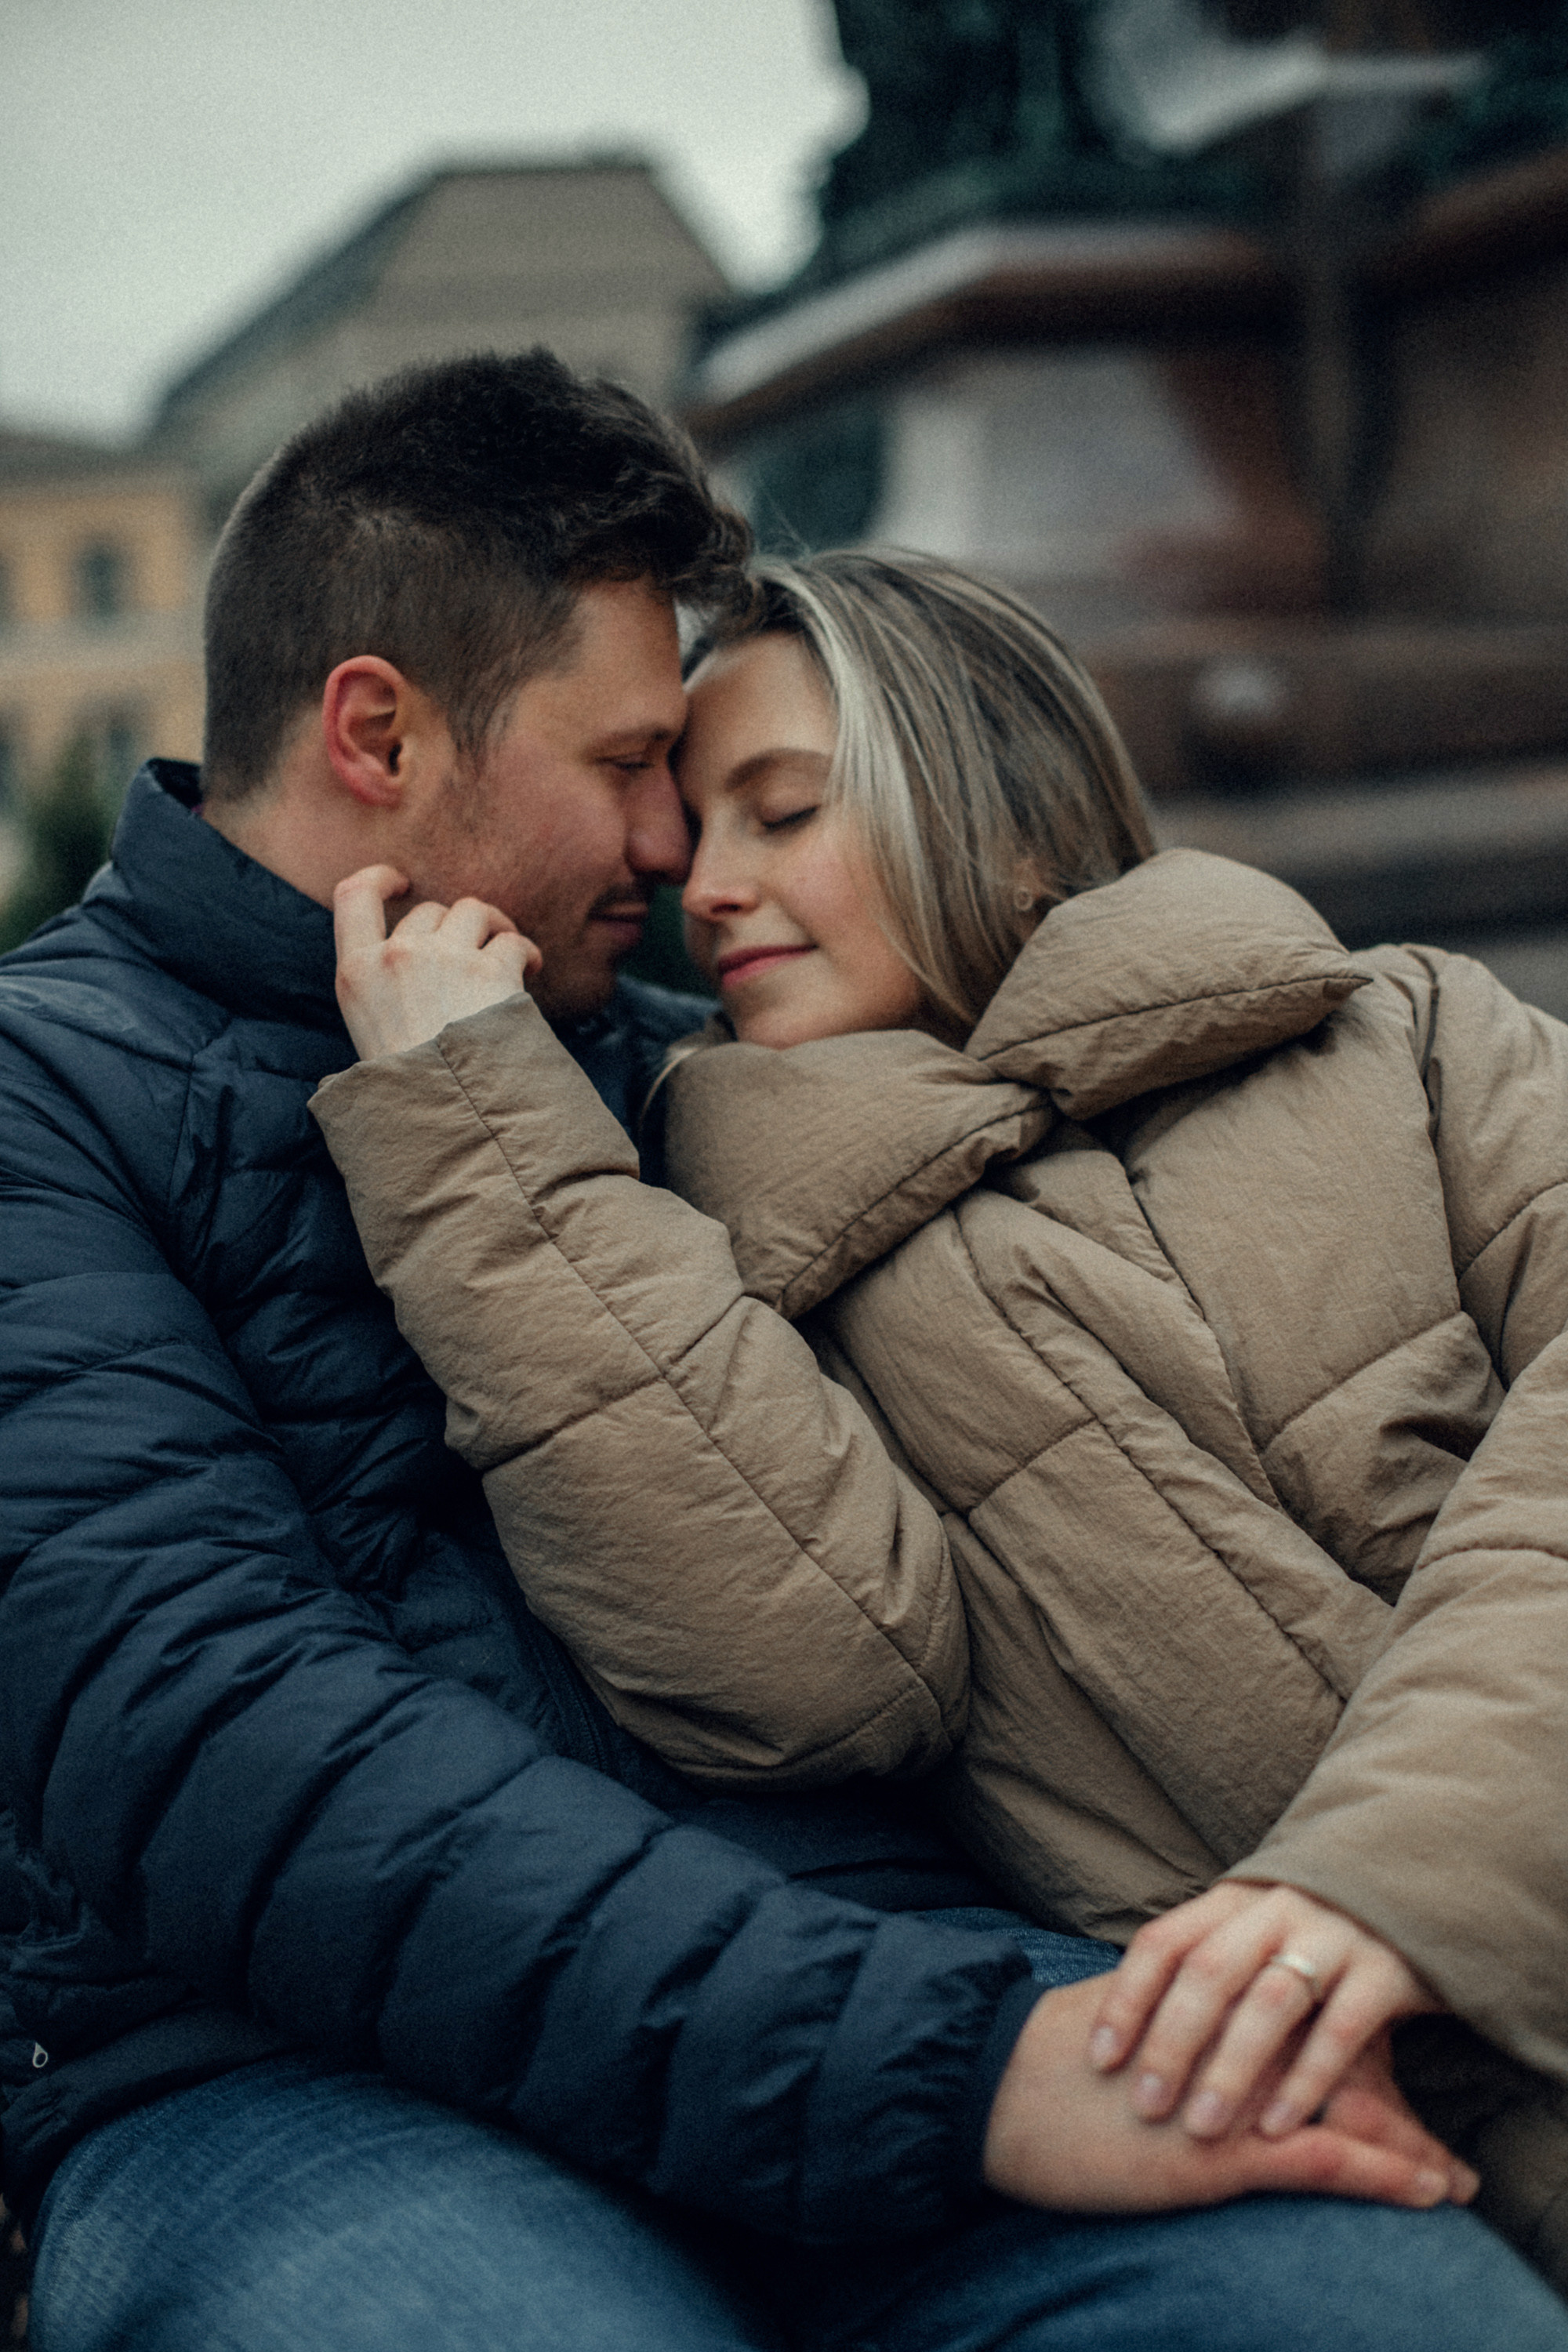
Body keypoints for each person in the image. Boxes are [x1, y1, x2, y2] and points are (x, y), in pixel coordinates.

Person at [2, 356, 1561, 2352]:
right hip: (308, 2093)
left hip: (926, 2012)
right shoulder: (47, 1099)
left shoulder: (717, 1068)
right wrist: (963, 2067)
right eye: (633, 761)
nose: (674, 851)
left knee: (1398, 2321)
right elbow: (220, 1737)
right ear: (376, 731)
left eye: (749, 796)